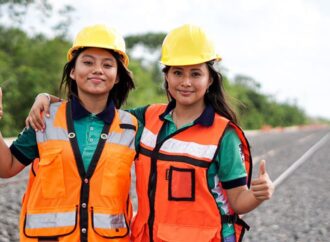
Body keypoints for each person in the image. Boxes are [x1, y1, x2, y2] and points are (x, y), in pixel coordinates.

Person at [26, 24, 274, 242]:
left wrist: (257, 195)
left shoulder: (223, 134)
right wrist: (49, 100)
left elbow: (238, 200)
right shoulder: (145, 119)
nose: (186, 82)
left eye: (195, 73)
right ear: (166, 76)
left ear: (210, 79)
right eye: (178, 72)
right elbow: (96, 112)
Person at [0, 24, 138, 242]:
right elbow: (6, 167)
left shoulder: (131, 126)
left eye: (108, 64)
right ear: (73, 71)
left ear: (118, 76)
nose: (97, 69)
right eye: (88, 62)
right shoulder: (45, 117)